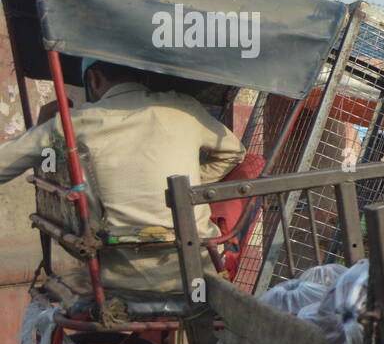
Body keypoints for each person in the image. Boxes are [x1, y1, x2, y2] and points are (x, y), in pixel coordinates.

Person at [0, 58, 245, 295]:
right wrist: (186, 187)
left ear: (93, 80)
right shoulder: (183, 107)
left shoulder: (73, 122)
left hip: (117, 278)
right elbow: (234, 153)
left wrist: (43, 127)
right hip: (200, 270)